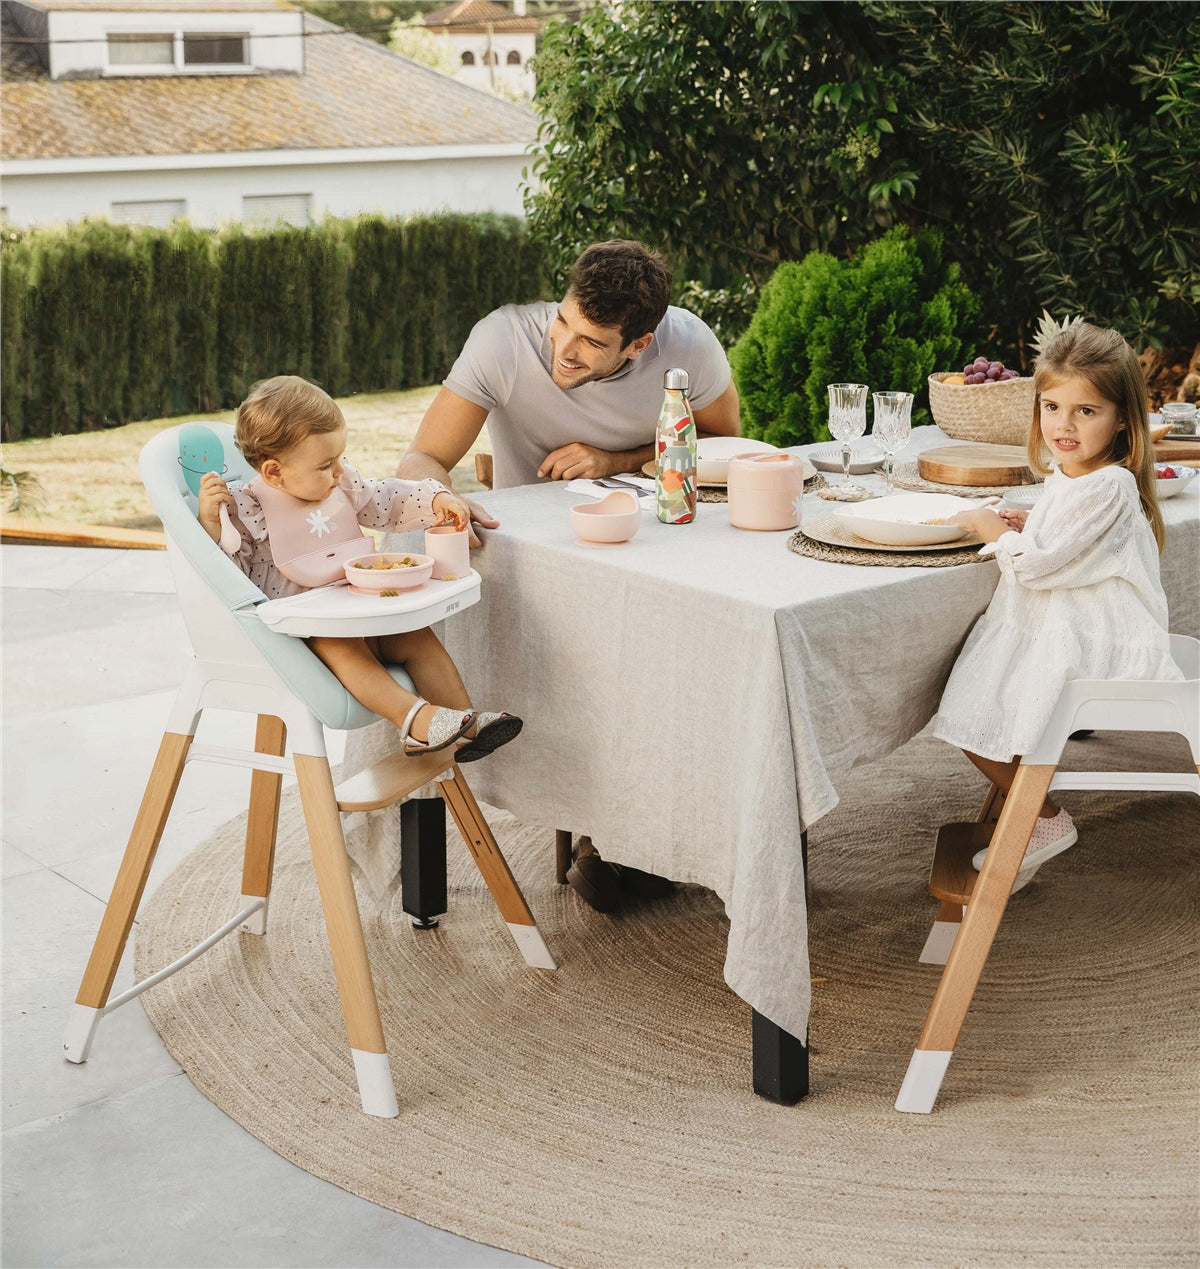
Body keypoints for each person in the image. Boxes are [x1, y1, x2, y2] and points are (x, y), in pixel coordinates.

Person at [397, 239, 741, 910]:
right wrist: (442, 496)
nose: (564, 347)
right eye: (563, 322)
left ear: (638, 346)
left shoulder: (690, 345)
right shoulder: (502, 341)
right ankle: (612, 833)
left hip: (658, 549)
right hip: (539, 564)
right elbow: (423, 456)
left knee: (705, 645)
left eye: (590, 341)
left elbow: (727, 444)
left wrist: (614, 458)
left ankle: (669, 828)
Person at [931, 322, 1180, 892]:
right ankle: (1025, 815)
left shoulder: (1111, 485)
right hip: (1072, 627)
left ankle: (1040, 821)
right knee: (974, 701)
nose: (1063, 426)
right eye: (1052, 406)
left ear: (1122, 420)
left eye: (1086, 411)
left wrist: (987, 523)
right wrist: (1025, 521)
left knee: (969, 710)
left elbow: (1038, 567)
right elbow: (1062, 538)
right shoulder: (1075, 475)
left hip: (1095, 645)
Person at [197, 375, 522, 763]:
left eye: (338, 458)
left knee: (414, 636)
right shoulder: (248, 509)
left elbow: (384, 499)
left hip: (358, 611)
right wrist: (215, 526)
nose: (338, 471)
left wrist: (434, 499)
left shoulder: (341, 485)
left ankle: (466, 725)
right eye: (324, 465)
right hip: (304, 633)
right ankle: (416, 723)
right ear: (273, 473)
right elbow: (228, 576)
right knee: (341, 644)